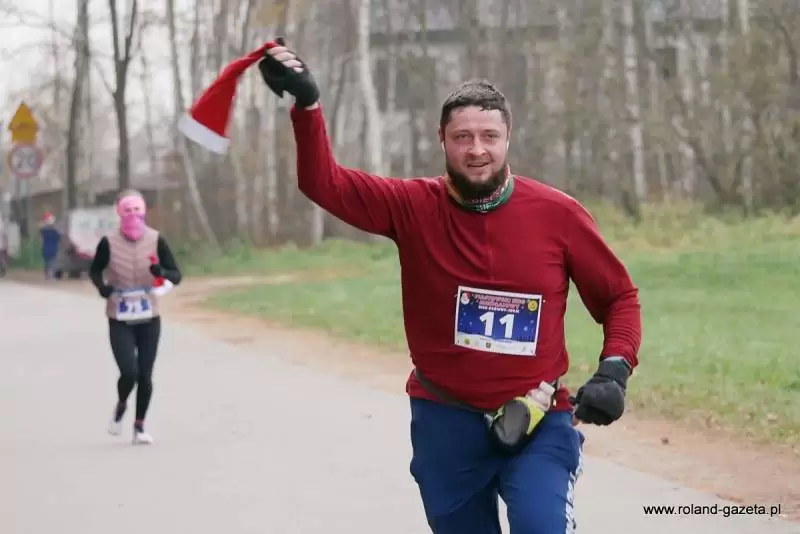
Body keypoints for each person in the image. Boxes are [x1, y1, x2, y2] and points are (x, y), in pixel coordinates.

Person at [89, 189, 182, 445]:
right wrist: (103, 288)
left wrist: (161, 271)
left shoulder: (156, 239)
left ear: (144, 211)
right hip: (119, 316)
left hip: (149, 315)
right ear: (119, 213)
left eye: (137, 209)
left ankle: (139, 426)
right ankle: (121, 405)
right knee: (129, 372)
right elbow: (95, 271)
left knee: (145, 374)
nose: (133, 215)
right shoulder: (108, 242)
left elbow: (176, 275)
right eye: (127, 210)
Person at [39, 212, 60, 280]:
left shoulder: (44, 231)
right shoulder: (53, 231)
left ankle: (48, 275)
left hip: (47, 248)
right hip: (51, 248)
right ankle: (50, 275)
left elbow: (41, 240)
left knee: (48, 262)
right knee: (51, 262)